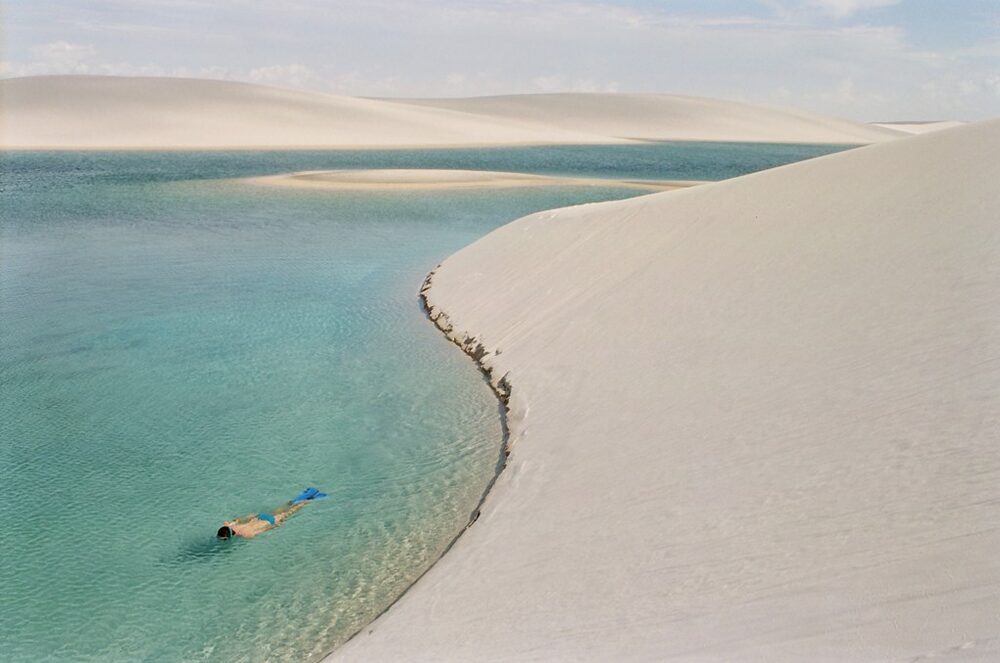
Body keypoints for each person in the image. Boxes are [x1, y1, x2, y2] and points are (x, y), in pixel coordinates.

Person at [217, 487, 326, 540]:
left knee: (293, 511)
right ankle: (296, 500)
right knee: (286, 507)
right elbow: (235, 521)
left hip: (269, 521)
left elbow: (263, 530)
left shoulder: (246, 535)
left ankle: (309, 500)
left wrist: (276, 526)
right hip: (260, 516)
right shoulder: (230, 525)